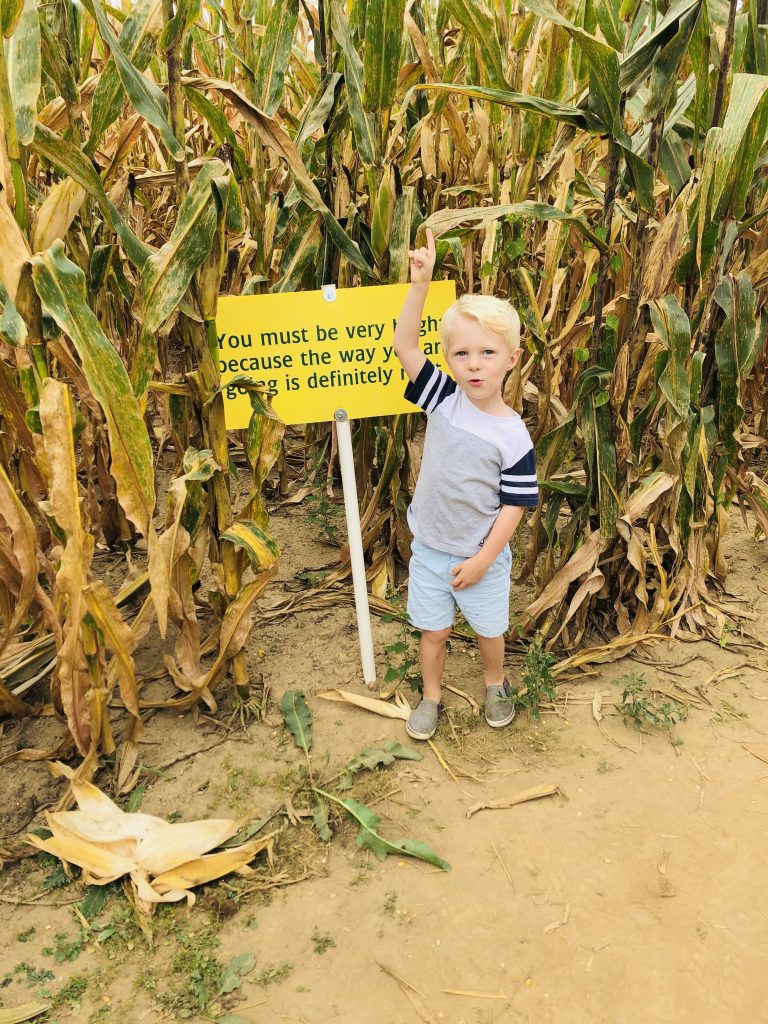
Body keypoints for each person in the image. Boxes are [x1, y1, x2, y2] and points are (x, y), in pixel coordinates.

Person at [393, 228, 539, 741]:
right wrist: (421, 285)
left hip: (483, 556)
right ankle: (431, 697)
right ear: (449, 360)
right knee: (433, 633)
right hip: (431, 549)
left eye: (487, 353)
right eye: (461, 354)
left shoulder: (513, 434)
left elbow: (515, 506)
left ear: (512, 359)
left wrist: (481, 560)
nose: (474, 365)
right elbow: (404, 344)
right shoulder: (442, 399)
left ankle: (494, 683)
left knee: (489, 632)